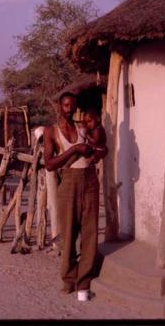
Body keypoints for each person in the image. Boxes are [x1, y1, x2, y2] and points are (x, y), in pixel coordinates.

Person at [43, 92, 107, 302]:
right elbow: (50, 165)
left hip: (89, 180)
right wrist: (74, 150)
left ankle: (84, 282)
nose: (69, 109)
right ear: (59, 107)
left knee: (89, 233)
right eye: (66, 105)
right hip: (68, 182)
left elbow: (102, 147)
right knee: (69, 233)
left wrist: (96, 154)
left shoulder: (83, 127)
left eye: (73, 106)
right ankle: (68, 279)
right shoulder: (51, 132)